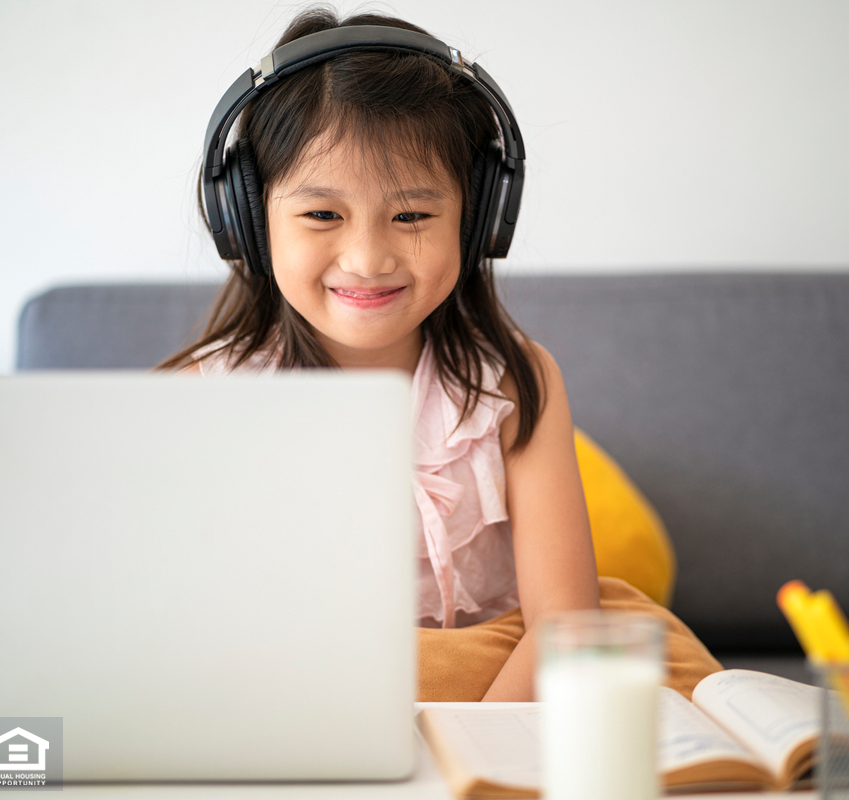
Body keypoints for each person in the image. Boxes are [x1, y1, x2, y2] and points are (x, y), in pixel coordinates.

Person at [158, 8, 601, 702]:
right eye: (323, 215)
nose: (368, 259)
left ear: (480, 218)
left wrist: (469, 761)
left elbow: (566, 625)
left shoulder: (516, 386)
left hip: (489, 705)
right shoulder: (197, 398)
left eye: (413, 215)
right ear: (247, 217)